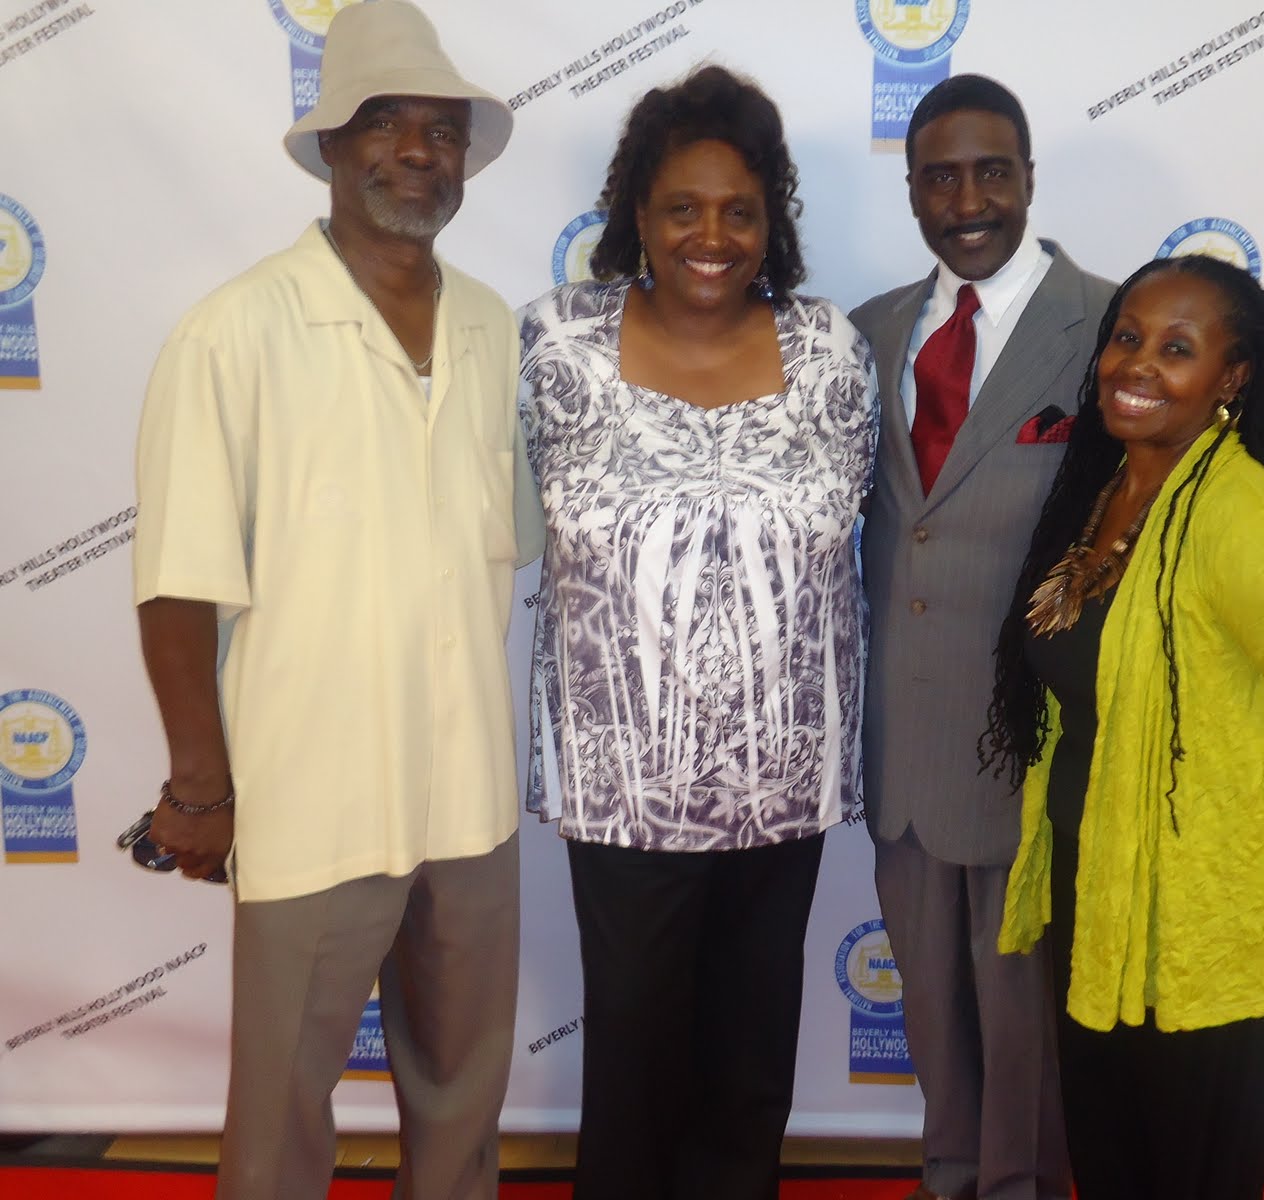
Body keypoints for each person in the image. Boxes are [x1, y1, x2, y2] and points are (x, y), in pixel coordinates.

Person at [131, 4, 542, 1196]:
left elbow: (496, 548)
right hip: (309, 801)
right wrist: (198, 789)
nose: (418, 150)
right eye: (384, 124)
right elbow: (176, 590)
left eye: (443, 130)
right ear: (328, 148)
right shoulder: (233, 334)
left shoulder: (491, 328)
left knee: (464, 1102)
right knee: (278, 1120)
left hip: (467, 801)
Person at [516, 66, 877, 1200]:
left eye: (739, 209)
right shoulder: (555, 346)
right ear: (637, 214)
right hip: (621, 788)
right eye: (683, 208)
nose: (710, 235)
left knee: (748, 1067)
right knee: (631, 1060)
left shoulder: (830, 354)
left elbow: (855, 537)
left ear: (773, 220)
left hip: (785, 783)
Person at [983, 253, 1264, 1200]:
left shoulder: (1238, 514)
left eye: (1178, 349)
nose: (1138, 366)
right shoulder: (1114, 490)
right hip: (1103, 907)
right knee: (1115, 1169)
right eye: (1128, 338)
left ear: (1232, 379)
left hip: (1216, 925)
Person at [850, 75, 1114, 1200]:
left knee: (1024, 1029)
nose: (969, 200)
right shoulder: (864, 333)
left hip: (1033, 743)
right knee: (929, 1011)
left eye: (991, 171)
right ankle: (949, 1177)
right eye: (941, 176)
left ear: (1028, 178)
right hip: (902, 746)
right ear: (911, 189)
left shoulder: (1111, 326)